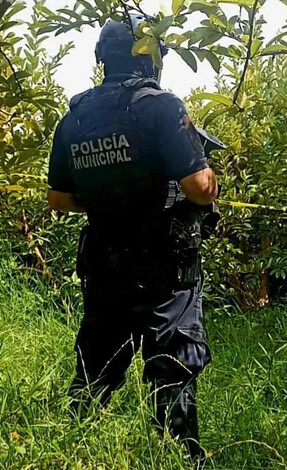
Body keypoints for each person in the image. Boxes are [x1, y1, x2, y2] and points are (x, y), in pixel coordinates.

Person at [46, 13, 221, 460]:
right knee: (174, 361)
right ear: (151, 55)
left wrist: (109, 196)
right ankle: (179, 457)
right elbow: (199, 189)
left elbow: (59, 199)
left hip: (105, 260)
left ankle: (66, 448)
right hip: (165, 264)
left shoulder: (76, 117)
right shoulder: (161, 106)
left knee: (97, 360)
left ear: (103, 57)